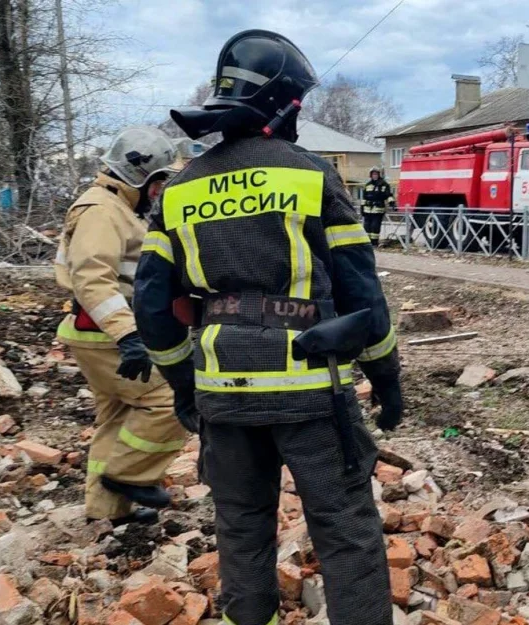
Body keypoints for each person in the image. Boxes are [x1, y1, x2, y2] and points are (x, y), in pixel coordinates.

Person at [132, 30, 402, 625]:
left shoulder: (178, 188)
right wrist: (386, 376)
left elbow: (151, 303)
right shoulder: (311, 176)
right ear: (285, 104)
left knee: (242, 528)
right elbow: (362, 292)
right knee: (345, 532)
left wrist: (183, 384)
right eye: (300, 103)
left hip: (221, 393)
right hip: (309, 394)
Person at [54, 126, 187, 525]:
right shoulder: (101, 210)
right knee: (171, 396)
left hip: (98, 329)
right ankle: (129, 475)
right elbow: (93, 278)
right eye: (162, 180)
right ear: (145, 179)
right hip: (106, 333)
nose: (163, 189)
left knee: (116, 415)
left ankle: (105, 513)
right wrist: (128, 336)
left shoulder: (115, 208)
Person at [362, 166, 394, 246]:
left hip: (378, 209)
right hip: (367, 210)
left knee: (375, 226)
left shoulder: (384, 184)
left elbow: (388, 195)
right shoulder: (367, 185)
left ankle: (374, 243)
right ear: (371, 175)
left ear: (379, 175)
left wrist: (392, 203)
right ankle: (367, 243)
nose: (374, 176)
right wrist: (362, 208)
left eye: (376, 174)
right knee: (366, 226)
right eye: (373, 174)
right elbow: (364, 198)